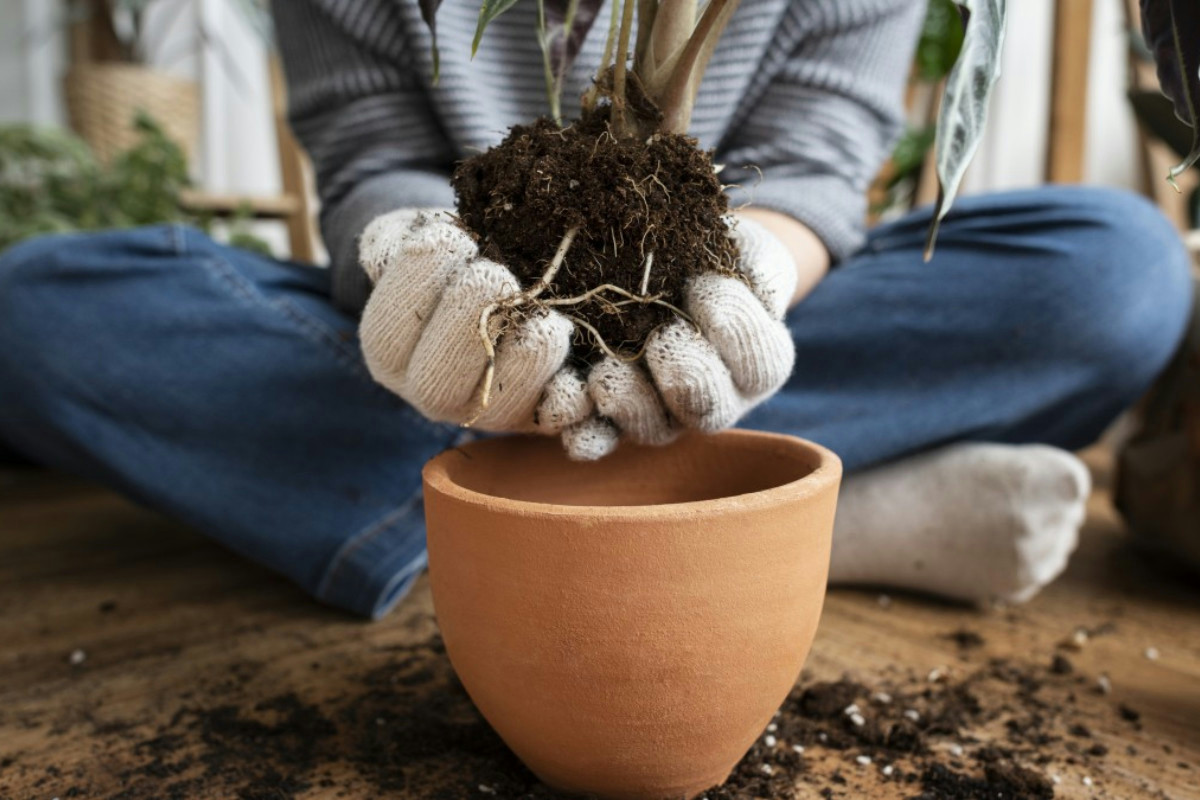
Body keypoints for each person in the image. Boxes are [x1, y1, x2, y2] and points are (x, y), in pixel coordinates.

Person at [0, 0, 1191, 618]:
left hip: (727, 319)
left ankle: (507, 508)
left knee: (1118, 269)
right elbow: (370, 146)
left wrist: (756, 277)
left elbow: (818, 158)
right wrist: (409, 275)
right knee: (35, 308)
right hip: (472, 325)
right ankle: (797, 511)